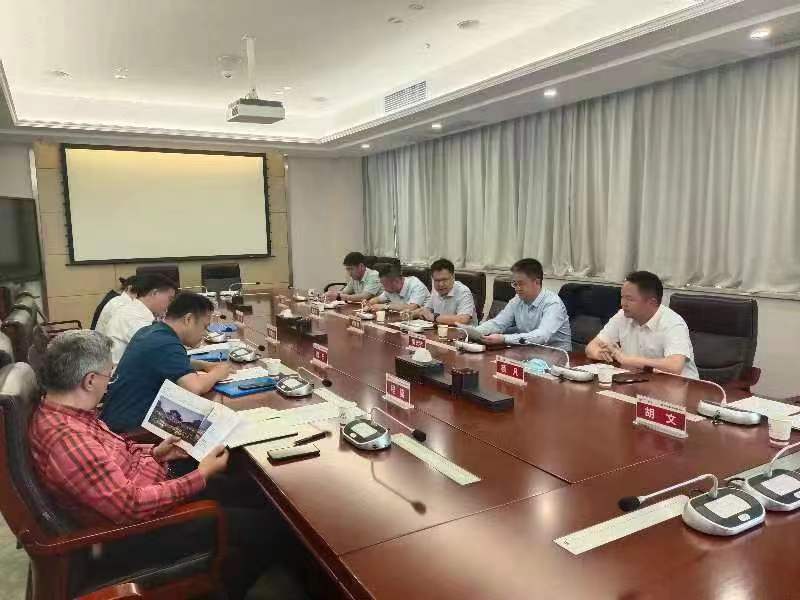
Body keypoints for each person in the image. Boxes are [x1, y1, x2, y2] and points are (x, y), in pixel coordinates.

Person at [29, 329, 298, 600]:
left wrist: (157, 453)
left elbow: (116, 456)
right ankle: (226, 589)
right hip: (137, 534)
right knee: (268, 527)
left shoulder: (70, 415)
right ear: (89, 380)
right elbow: (132, 505)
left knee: (251, 492)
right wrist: (201, 475)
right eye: (109, 375)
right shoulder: (69, 440)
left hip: (146, 494)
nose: (110, 382)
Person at [101, 292, 232, 433]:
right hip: (131, 431)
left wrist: (203, 365)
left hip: (115, 419)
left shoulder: (151, 331)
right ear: (188, 319)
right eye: (204, 327)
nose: (205, 333)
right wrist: (216, 373)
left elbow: (166, 362)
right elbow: (195, 387)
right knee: (218, 426)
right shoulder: (166, 343)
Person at [586, 271, 698, 378]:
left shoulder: (673, 322)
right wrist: (600, 354)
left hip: (681, 386)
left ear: (651, 302)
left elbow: (674, 366)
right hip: (640, 381)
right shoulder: (622, 316)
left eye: (629, 299)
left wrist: (626, 359)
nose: (623, 303)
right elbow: (591, 347)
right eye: (622, 297)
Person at [474, 258, 571, 350]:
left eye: (521, 284)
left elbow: (541, 336)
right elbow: (498, 324)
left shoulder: (553, 303)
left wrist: (504, 339)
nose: (517, 288)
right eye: (515, 284)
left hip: (559, 356)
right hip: (529, 352)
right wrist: (474, 332)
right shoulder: (517, 300)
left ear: (537, 282)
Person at [105, 273, 177, 363]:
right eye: (170, 299)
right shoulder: (133, 316)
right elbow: (158, 350)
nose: (170, 304)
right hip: (125, 370)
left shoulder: (137, 311)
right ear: (154, 293)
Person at [416, 258, 477, 325]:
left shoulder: (463, 292)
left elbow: (463, 319)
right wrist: (412, 314)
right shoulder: (435, 289)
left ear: (453, 277)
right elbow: (427, 309)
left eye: (444, 280)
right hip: (440, 329)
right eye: (437, 280)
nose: (440, 284)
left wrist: (434, 317)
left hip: (462, 331)